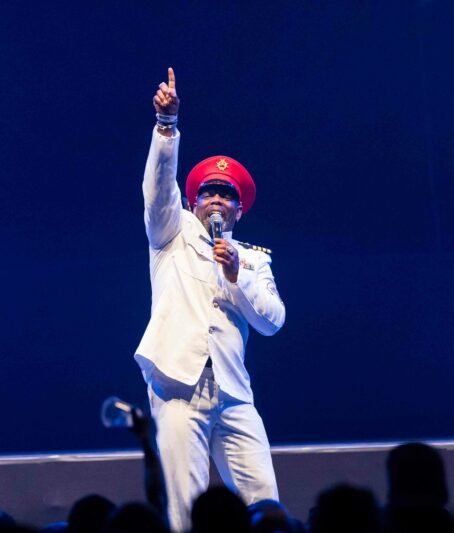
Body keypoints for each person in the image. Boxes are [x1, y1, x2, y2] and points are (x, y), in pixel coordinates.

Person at [135, 67, 285, 532]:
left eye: (226, 194)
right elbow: (158, 191)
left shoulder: (253, 260)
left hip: (234, 392)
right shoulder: (171, 233)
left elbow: (272, 321)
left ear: (239, 209)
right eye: (208, 192)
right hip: (178, 384)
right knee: (185, 507)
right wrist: (167, 127)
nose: (217, 199)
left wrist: (236, 275)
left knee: (266, 504)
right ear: (193, 202)